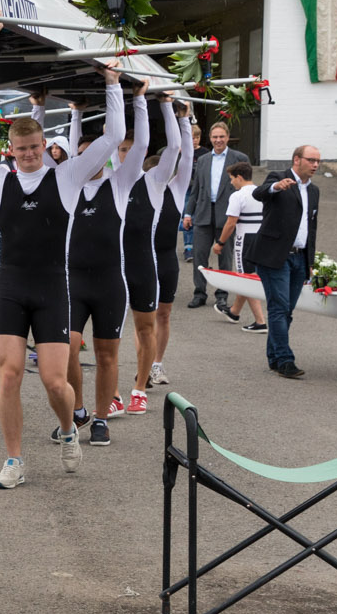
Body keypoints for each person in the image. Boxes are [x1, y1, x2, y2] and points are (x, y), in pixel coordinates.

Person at [0, 75, 118, 490]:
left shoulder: (68, 176)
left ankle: (69, 428)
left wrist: (112, 84)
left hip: (54, 287)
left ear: (45, 147)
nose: (28, 155)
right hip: (10, 285)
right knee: (9, 375)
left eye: (35, 148)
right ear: (11, 150)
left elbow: (116, 136)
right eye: (20, 149)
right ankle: (14, 459)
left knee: (56, 382)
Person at [63, 75, 148, 447]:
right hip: (73, 280)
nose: (89, 159)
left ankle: (100, 419)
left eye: (96, 153)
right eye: (83, 154)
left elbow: (140, 144)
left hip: (110, 282)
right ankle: (78, 410)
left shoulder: (120, 183)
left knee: (106, 354)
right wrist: (75, 116)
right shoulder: (67, 184)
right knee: (65, 346)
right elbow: (69, 148)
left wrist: (136, 98)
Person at [124, 96, 192, 410]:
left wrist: (184, 121)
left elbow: (185, 156)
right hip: (138, 258)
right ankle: (144, 365)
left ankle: (156, 363)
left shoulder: (176, 190)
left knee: (162, 316)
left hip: (164, 260)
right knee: (144, 319)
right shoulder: (138, 185)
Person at [250, 144, 323, 380]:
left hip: (299, 258)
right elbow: (258, 193)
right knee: (279, 308)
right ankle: (284, 360)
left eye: (317, 161)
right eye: (311, 160)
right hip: (274, 256)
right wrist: (274, 187)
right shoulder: (279, 178)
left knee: (286, 311)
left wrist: (310, 261)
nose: (315, 165)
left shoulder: (314, 191)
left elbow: (311, 227)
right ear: (296, 160)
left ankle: (273, 357)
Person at [184, 116, 248, 310]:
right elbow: (195, 190)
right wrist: (188, 214)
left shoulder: (239, 158)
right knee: (200, 256)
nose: (218, 140)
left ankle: (222, 295)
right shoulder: (203, 160)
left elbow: (245, 188)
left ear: (228, 137)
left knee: (225, 258)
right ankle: (200, 293)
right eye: (214, 137)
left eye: (221, 136)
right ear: (210, 139)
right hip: (203, 214)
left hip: (227, 215)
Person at [215, 163, 267, 328]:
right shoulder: (262, 193)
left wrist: (220, 243)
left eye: (231, 179)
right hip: (262, 237)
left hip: (245, 239)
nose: (231, 183)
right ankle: (234, 311)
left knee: (246, 278)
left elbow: (230, 223)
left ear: (239, 177)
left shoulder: (237, 196)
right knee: (249, 275)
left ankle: (260, 321)